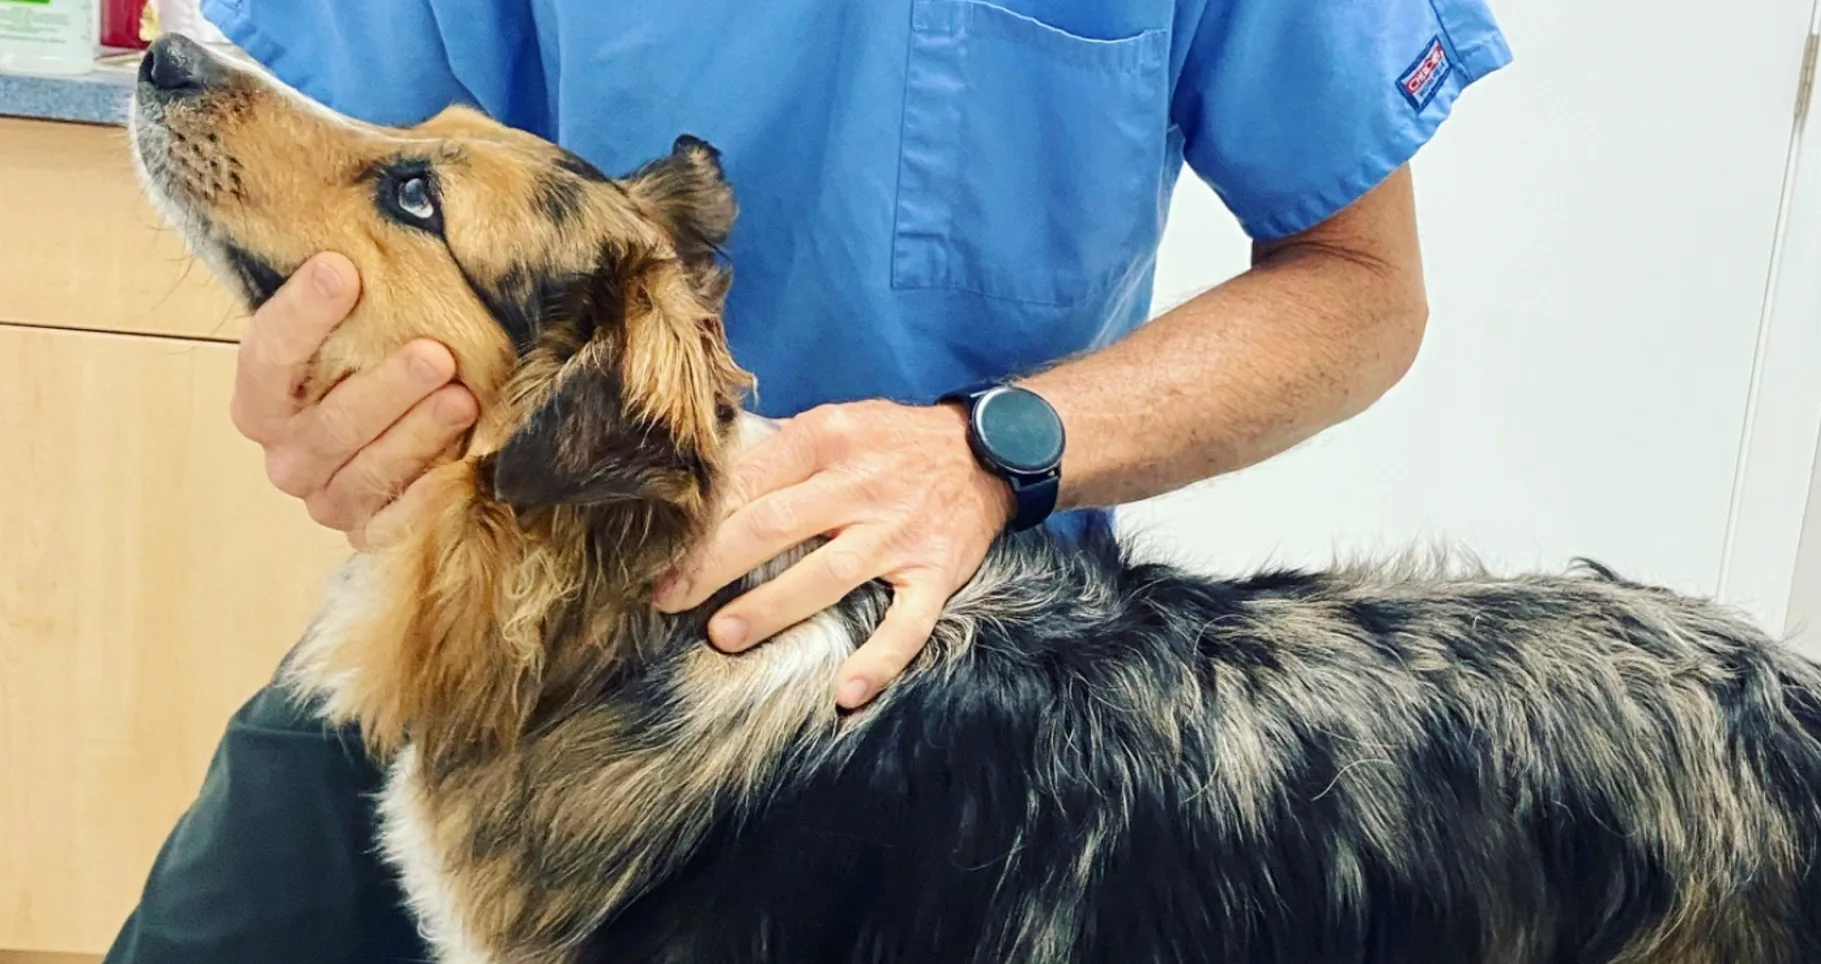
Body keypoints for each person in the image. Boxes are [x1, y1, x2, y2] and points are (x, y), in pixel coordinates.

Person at [107, 0, 1510, 960]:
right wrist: (313, 378)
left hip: (941, 680)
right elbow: (326, 158)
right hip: (509, 615)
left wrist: (991, 446)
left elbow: (1361, 290)